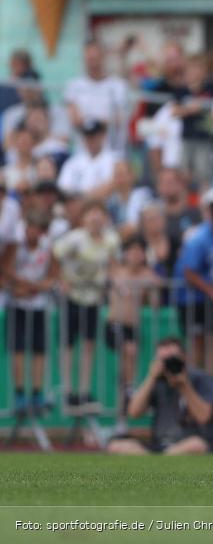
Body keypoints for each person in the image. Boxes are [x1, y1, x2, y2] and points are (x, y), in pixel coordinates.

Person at [108, 337, 213, 454]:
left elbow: (204, 416)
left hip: (192, 442)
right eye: (163, 360)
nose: (168, 365)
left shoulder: (201, 379)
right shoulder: (157, 380)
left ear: (184, 357)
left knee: (195, 445)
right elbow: (134, 412)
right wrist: (151, 378)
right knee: (116, 446)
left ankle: (157, 461)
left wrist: (184, 386)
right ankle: (158, 460)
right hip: (161, 445)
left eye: (172, 359)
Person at [53, 200, 120, 408]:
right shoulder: (74, 239)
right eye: (91, 213)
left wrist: (109, 286)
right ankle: (67, 390)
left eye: (100, 213)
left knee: (89, 344)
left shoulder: (111, 240)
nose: (96, 217)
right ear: (84, 218)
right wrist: (61, 280)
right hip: (72, 296)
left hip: (93, 298)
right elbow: (55, 256)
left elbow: (114, 265)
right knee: (68, 344)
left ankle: (83, 390)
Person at [173, 201, 213, 374]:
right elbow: (189, 272)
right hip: (190, 299)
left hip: (208, 299)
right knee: (196, 344)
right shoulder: (199, 239)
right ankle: (192, 386)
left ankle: (208, 387)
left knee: (210, 342)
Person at [5, 210, 57, 414]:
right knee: (17, 349)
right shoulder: (15, 247)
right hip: (18, 304)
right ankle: (19, 394)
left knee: (39, 350)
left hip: (38, 305)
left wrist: (37, 287)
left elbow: (53, 275)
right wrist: (24, 286)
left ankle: (37, 393)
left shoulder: (47, 248)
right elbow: (7, 272)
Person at [106, 236, 161, 429]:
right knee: (129, 351)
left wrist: (154, 287)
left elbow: (155, 304)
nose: (135, 255)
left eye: (139, 252)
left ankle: (125, 404)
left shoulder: (147, 275)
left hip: (133, 326)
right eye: (132, 251)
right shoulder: (116, 272)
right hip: (115, 324)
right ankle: (129, 390)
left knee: (130, 362)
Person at [63, 40, 129, 153]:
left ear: (103, 57)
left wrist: (90, 121)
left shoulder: (118, 86)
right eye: (90, 58)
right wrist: (103, 122)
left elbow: (120, 119)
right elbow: (74, 119)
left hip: (112, 151)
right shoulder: (73, 86)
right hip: (83, 152)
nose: (93, 62)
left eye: (96, 58)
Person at [57, 120, 118, 199]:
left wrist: (86, 196)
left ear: (103, 136)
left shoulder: (115, 159)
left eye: (94, 135)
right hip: (76, 206)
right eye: (87, 136)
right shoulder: (73, 162)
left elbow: (114, 184)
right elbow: (63, 188)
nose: (90, 139)